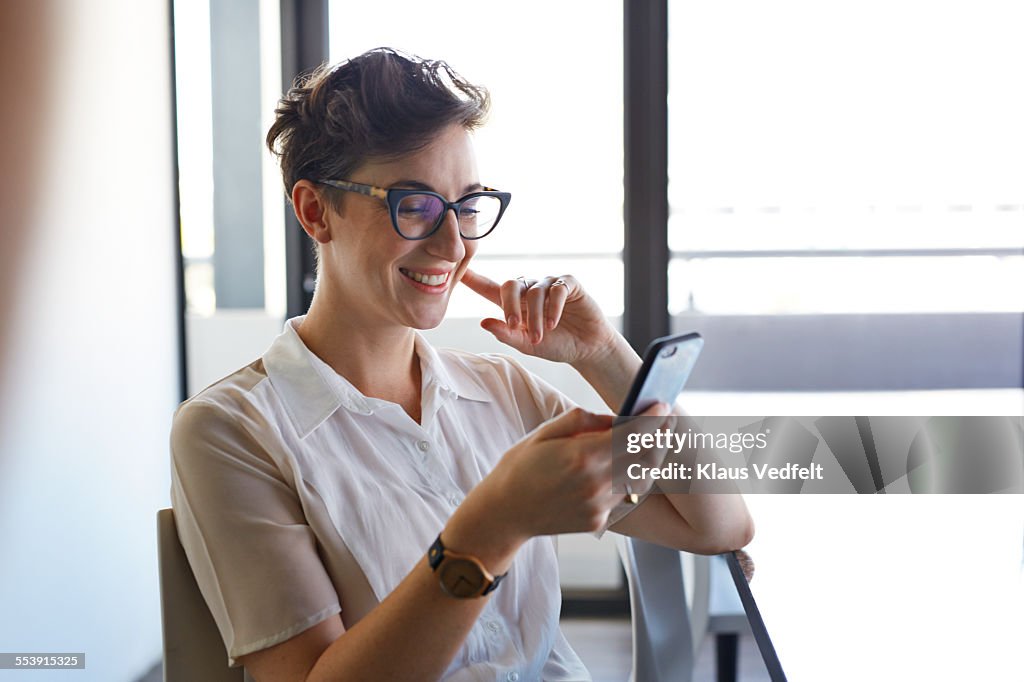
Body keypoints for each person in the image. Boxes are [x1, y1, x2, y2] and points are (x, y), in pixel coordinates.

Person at [170, 47, 753, 682]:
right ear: (315, 211)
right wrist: (492, 526)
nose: (454, 245)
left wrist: (604, 355)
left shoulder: (500, 392)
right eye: (415, 205)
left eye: (468, 205)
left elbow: (720, 523)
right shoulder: (231, 432)